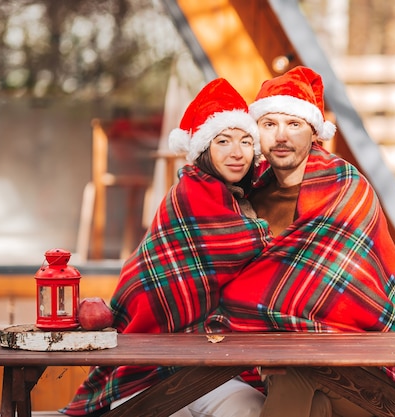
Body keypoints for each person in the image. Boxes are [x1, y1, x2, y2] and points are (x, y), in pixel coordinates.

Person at [194, 66, 395, 416]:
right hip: (271, 365)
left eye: (293, 124)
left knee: (296, 374)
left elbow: (342, 297)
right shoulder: (248, 197)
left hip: (365, 368)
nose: (281, 136)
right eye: (269, 124)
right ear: (257, 132)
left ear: (314, 132)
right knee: (305, 393)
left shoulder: (344, 189)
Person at [61, 78, 272, 416]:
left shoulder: (240, 201)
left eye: (246, 141)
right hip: (148, 364)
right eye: (224, 141)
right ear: (203, 149)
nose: (237, 152)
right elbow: (243, 248)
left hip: (210, 364)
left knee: (252, 408)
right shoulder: (190, 194)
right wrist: (276, 240)